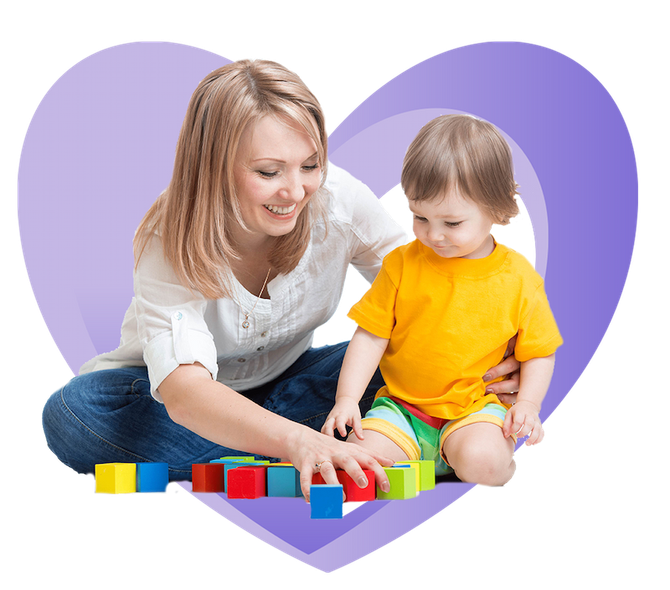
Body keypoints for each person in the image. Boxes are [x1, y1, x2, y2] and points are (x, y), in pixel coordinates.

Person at [40, 59, 521, 500]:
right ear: (214, 168)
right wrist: (296, 440)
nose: (296, 191)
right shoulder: (170, 235)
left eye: (310, 165)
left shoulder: (336, 199)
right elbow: (184, 392)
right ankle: (306, 443)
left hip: (294, 381)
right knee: (75, 414)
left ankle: (277, 445)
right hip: (167, 399)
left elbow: (432, 291)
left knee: (393, 359)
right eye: (269, 171)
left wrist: (496, 356)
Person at [322, 114, 563, 488]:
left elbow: (538, 351)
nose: (433, 235)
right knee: (361, 463)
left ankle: (474, 456)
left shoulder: (518, 277)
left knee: (486, 465)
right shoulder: (402, 264)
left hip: (473, 411)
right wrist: (348, 398)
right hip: (400, 409)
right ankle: (422, 457)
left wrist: (528, 405)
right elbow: (370, 336)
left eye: (452, 223)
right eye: (419, 216)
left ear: (497, 211)